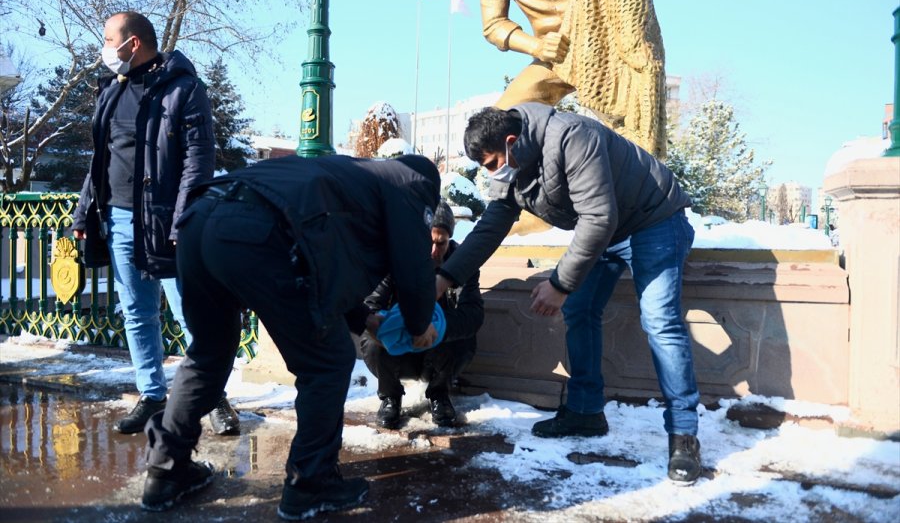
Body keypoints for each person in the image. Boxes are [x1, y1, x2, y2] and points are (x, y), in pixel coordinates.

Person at [139, 154, 442, 518]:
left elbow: (330, 264)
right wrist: (419, 324)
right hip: (256, 229)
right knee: (327, 363)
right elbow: (413, 265)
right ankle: (311, 485)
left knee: (208, 353)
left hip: (198, 219)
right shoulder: (412, 184)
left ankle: (166, 471)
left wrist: (365, 319)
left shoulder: (355, 177)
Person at [435, 103, 702, 484]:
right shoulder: (511, 167)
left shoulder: (572, 136)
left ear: (511, 142)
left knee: (660, 320)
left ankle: (684, 435)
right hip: (608, 228)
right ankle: (585, 412)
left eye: (493, 163)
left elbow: (598, 217)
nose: (492, 173)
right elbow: (490, 228)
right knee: (580, 310)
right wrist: (444, 278)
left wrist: (560, 284)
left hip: (653, 218)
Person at [71, 11, 239, 436]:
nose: (104, 48)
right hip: (118, 219)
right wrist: (84, 210)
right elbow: (100, 159)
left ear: (133, 44)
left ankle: (212, 395)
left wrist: (183, 221)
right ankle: (152, 394)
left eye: (109, 40)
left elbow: (198, 161)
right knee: (136, 313)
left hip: (165, 223)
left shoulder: (184, 89)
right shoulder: (111, 89)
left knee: (190, 313)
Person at [472, 0, 667, 158]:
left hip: (604, 48)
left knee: (632, 127)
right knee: (498, 125)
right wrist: (537, 47)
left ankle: (646, 173)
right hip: (553, 59)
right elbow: (494, 26)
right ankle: (516, 180)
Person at [354, 200, 484, 429]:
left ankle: (439, 394)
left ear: (450, 239)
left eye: (441, 243)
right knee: (372, 340)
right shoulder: (396, 259)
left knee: (464, 339)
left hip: (438, 347)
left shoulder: (462, 263)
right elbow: (371, 305)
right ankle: (390, 396)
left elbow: (473, 315)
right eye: (428, 242)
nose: (434, 251)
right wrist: (402, 326)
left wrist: (437, 328)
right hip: (399, 344)